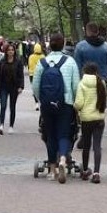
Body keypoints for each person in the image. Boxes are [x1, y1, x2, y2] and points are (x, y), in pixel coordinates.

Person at [32, 32, 80, 184]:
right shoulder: (70, 62)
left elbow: (35, 86)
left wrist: (42, 99)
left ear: (49, 45)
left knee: (50, 134)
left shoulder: (42, 62)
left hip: (47, 104)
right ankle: (63, 159)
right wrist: (73, 101)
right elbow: (75, 85)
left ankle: (52, 169)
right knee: (64, 134)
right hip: (65, 103)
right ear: (63, 44)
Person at [74, 62, 107, 184]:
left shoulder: (82, 84)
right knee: (97, 146)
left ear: (84, 71)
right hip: (99, 118)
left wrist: (75, 109)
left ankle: (85, 171)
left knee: (86, 146)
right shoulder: (101, 83)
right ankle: (97, 173)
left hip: (86, 119)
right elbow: (104, 101)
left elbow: (79, 103)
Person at [74, 22, 107, 93]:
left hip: (85, 82)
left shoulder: (80, 47)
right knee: (101, 103)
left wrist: (76, 87)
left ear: (87, 32)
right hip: (102, 82)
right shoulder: (106, 47)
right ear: (98, 32)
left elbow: (77, 68)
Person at [0, 42, 24, 135]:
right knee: (3, 106)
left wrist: (21, 86)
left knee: (12, 106)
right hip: (3, 86)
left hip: (14, 87)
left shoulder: (18, 62)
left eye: (12, 50)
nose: (11, 52)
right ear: (6, 51)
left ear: (14, 51)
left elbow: (21, 75)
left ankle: (11, 126)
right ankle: (1, 125)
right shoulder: (2, 62)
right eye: (9, 50)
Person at [27, 43, 45, 111]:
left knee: (34, 89)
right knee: (41, 88)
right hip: (41, 74)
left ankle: (36, 103)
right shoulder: (43, 56)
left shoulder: (31, 56)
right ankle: (41, 102)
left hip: (32, 74)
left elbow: (29, 65)